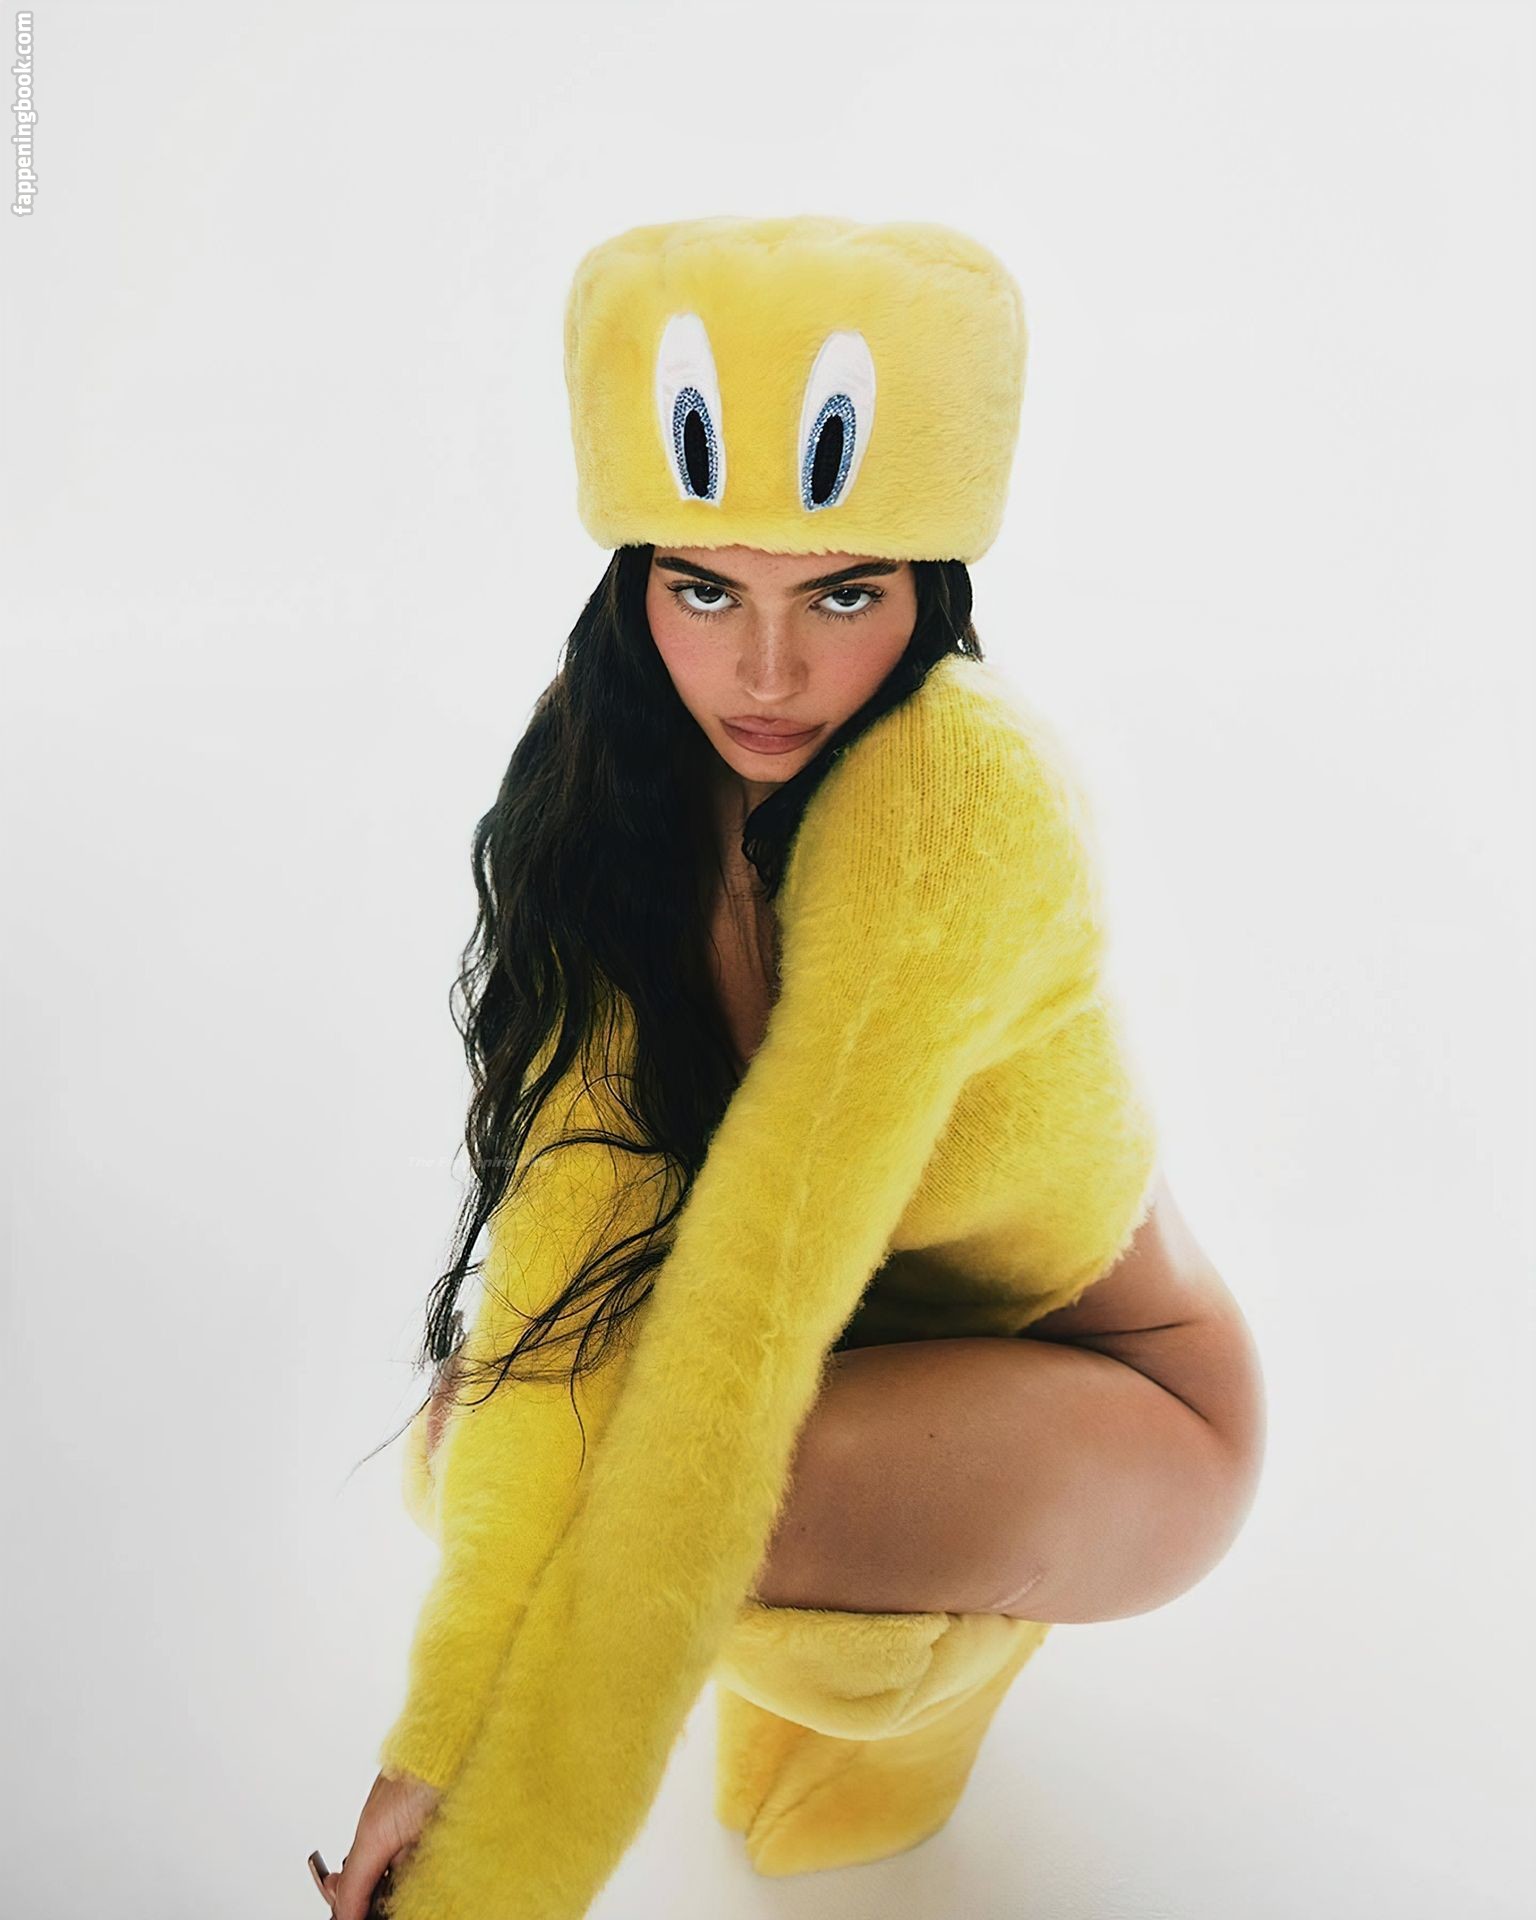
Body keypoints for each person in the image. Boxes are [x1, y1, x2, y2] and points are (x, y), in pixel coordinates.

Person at [319, 215, 1266, 1920]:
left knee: (686, 1495)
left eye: (842, 591)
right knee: (486, 1435)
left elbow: (745, 1322)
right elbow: (566, 1251)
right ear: (634, 583)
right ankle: (885, 1626)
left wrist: (494, 1887)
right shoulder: (615, 774)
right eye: (706, 588)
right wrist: (435, 1745)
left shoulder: (959, 802)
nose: (767, 674)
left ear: (929, 587)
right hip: (857, 1338)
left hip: (1119, 1390)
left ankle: (933, 1665)